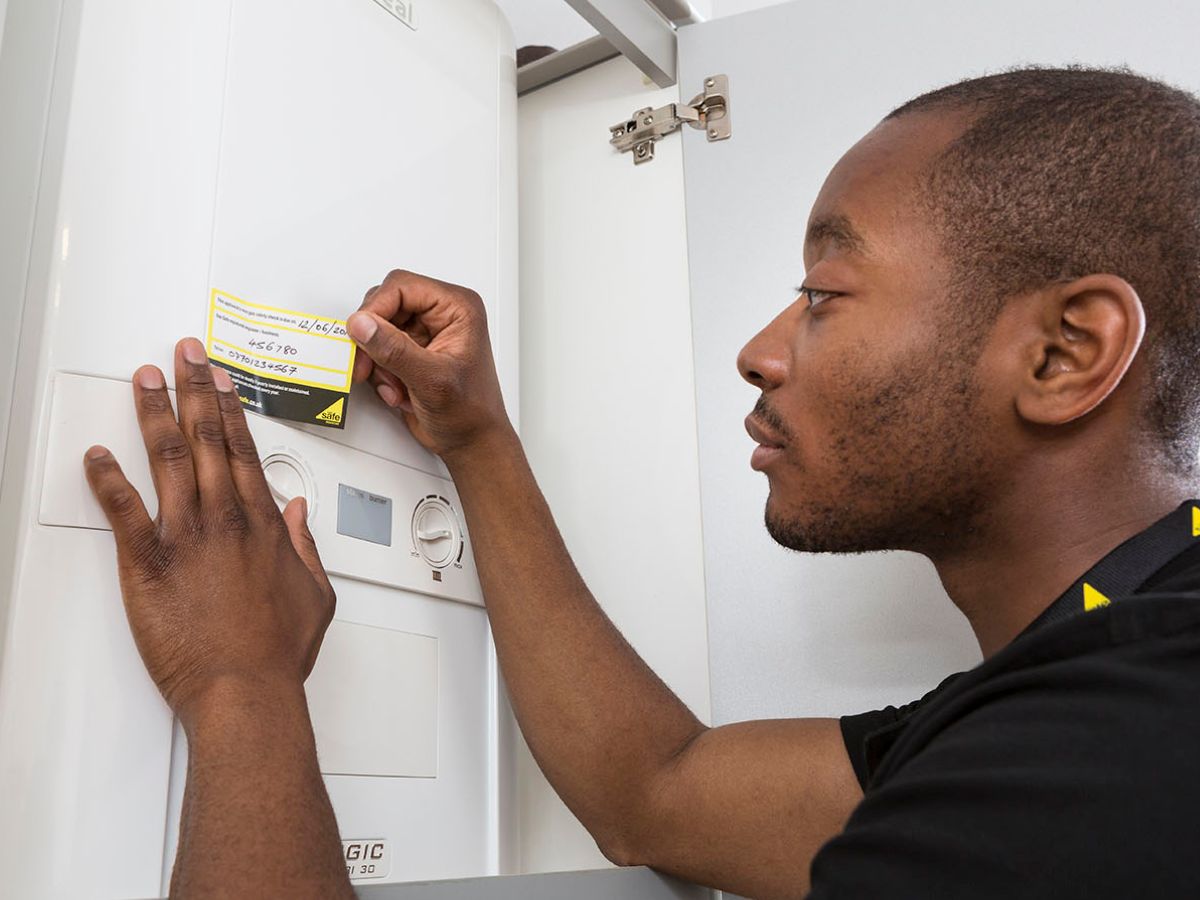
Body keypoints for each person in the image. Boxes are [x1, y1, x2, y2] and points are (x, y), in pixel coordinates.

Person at [83, 65, 1200, 899]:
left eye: (823, 290)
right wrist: (477, 442)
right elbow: (655, 790)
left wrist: (240, 685)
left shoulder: (1106, 771)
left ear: (1065, 353)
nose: (762, 349)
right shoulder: (1074, 700)